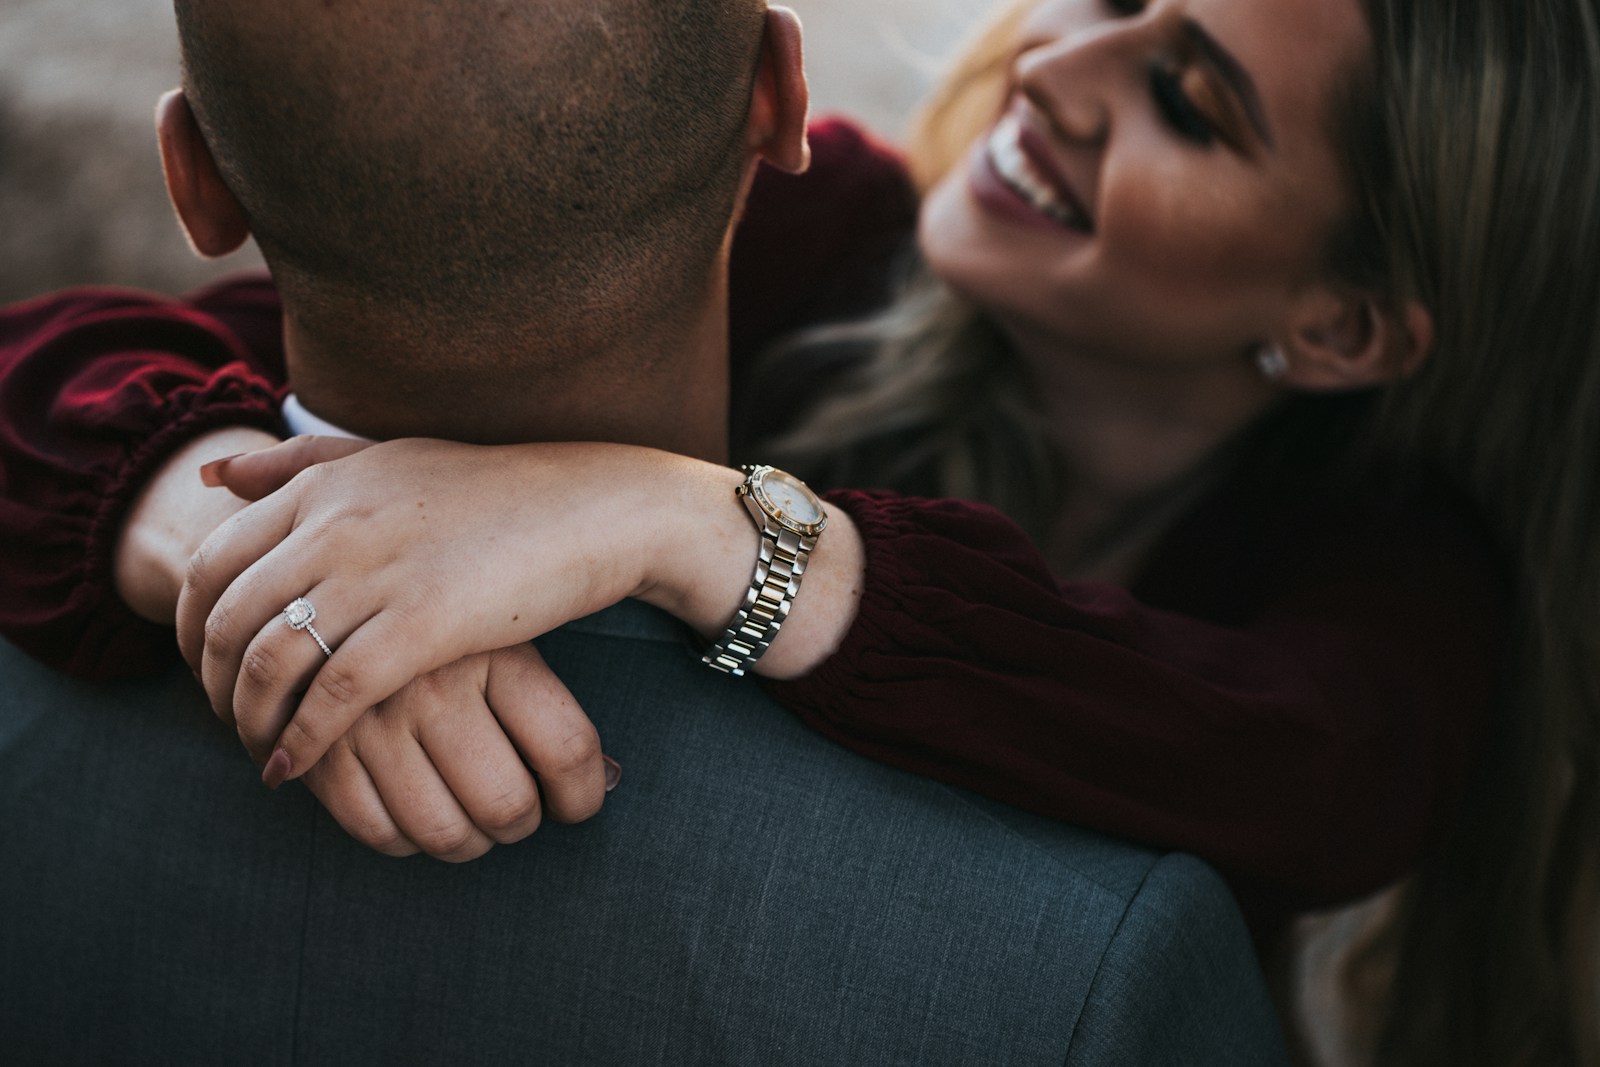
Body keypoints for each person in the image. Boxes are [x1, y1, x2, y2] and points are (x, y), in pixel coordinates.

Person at [1, 0, 1596, 1062]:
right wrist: (210, 530)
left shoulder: (1400, 577)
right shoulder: (823, 231)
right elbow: (221, 313)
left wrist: (698, 526)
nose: (1052, 74)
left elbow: (1308, 769)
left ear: (1344, 328)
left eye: (1186, 100)